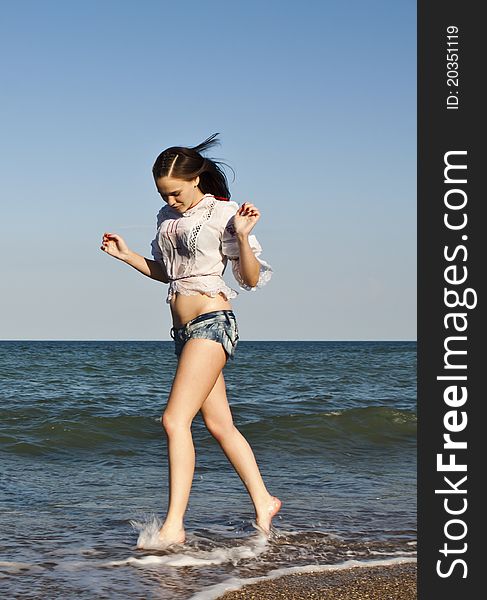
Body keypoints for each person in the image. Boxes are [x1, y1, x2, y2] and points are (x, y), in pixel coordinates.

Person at [100, 133, 281, 547]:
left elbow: (250, 279)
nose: (172, 200)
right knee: (220, 425)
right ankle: (264, 502)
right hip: (183, 331)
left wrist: (242, 231)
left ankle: (174, 526)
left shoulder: (223, 214)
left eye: (176, 193)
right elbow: (169, 272)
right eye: (164, 194)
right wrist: (127, 256)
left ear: (197, 178)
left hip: (213, 321)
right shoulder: (165, 216)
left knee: (173, 420)